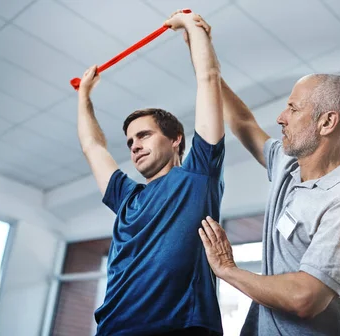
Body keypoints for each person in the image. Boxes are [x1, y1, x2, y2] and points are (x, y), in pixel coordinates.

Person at [189, 16, 340, 336]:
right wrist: (204, 58)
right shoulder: (290, 167)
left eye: (293, 109)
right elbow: (245, 124)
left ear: (327, 122)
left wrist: (227, 270)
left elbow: (305, 297)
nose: (281, 118)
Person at [76, 11, 225, 336]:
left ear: (175, 140)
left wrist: (190, 26)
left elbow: (208, 79)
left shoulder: (199, 176)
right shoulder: (126, 197)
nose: (134, 146)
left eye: (144, 135)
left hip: (179, 327)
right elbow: (93, 146)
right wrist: (84, 96)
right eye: (130, 141)